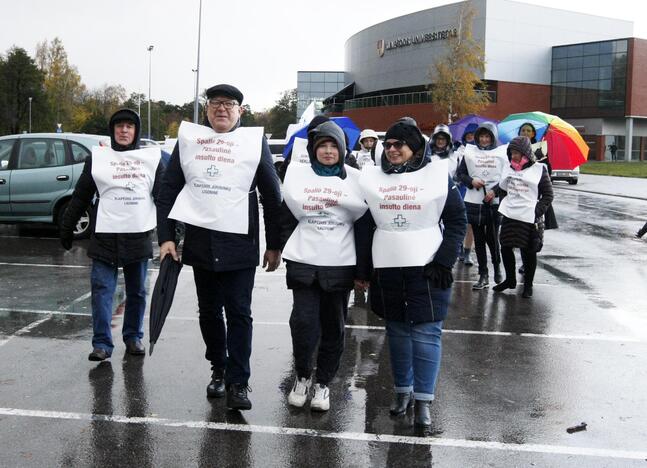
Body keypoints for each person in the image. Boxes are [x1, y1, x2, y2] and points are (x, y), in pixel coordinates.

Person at [156, 84, 282, 411]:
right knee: (209, 312)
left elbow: (271, 195)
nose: (221, 109)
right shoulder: (191, 141)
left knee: (239, 313)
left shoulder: (255, 144)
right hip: (201, 245)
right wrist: (166, 237)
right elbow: (168, 190)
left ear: (241, 110)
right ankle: (218, 367)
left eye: (229, 104)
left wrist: (275, 245)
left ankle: (239, 382)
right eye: (214, 104)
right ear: (207, 109)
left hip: (240, 245)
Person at [356, 118, 466, 435]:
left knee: (426, 334)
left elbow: (457, 221)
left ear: (415, 147)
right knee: (399, 334)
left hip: (428, 266)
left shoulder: (436, 175)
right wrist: (363, 270)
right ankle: (402, 390)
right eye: (387, 145)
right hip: (388, 265)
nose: (391, 150)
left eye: (398, 144)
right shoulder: (372, 178)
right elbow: (364, 225)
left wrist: (444, 261)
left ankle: (424, 403)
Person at [60, 109, 164, 361]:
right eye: (119, 126)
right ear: (112, 130)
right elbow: (81, 194)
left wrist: (174, 232)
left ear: (136, 131)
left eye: (129, 126)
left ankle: (133, 337)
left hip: (137, 237)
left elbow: (162, 197)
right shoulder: (98, 159)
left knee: (137, 291)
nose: (124, 130)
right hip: (105, 238)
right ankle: (102, 344)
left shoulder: (150, 160)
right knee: (101, 290)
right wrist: (67, 226)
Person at [280, 120, 368, 412]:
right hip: (304, 261)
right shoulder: (297, 176)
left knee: (333, 328)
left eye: (333, 146)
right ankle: (303, 376)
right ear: (313, 150)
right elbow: (285, 216)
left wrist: (363, 271)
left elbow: (364, 225)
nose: (328, 151)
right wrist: (275, 247)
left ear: (342, 150)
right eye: (322, 146)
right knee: (303, 323)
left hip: (340, 264)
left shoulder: (356, 179)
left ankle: (323, 384)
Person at [494, 136, 553, 298]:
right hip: (510, 215)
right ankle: (510, 279)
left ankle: (528, 285)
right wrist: (496, 193)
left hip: (529, 217)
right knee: (505, 247)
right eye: (511, 153)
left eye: (516, 153)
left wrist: (537, 211)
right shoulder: (509, 168)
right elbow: (503, 187)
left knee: (528, 252)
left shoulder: (539, 170)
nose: (513, 156)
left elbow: (548, 195)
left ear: (525, 153)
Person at [456, 122, 507, 290]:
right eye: (481, 136)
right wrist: (471, 181)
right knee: (478, 239)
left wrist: (495, 191)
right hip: (474, 201)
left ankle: (497, 266)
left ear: (492, 138)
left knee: (492, 238)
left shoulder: (502, 153)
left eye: (487, 137)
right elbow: (461, 174)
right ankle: (483, 274)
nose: (484, 140)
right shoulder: (469, 152)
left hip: (493, 202)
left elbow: (507, 178)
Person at [454, 123, 478, 266]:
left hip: (474, 190)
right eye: (468, 135)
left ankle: (468, 251)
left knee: (470, 223)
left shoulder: (481, 152)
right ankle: (460, 249)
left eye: (473, 135)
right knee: (460, 221)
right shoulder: (458, 150)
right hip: (460, 188)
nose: (471, 137)